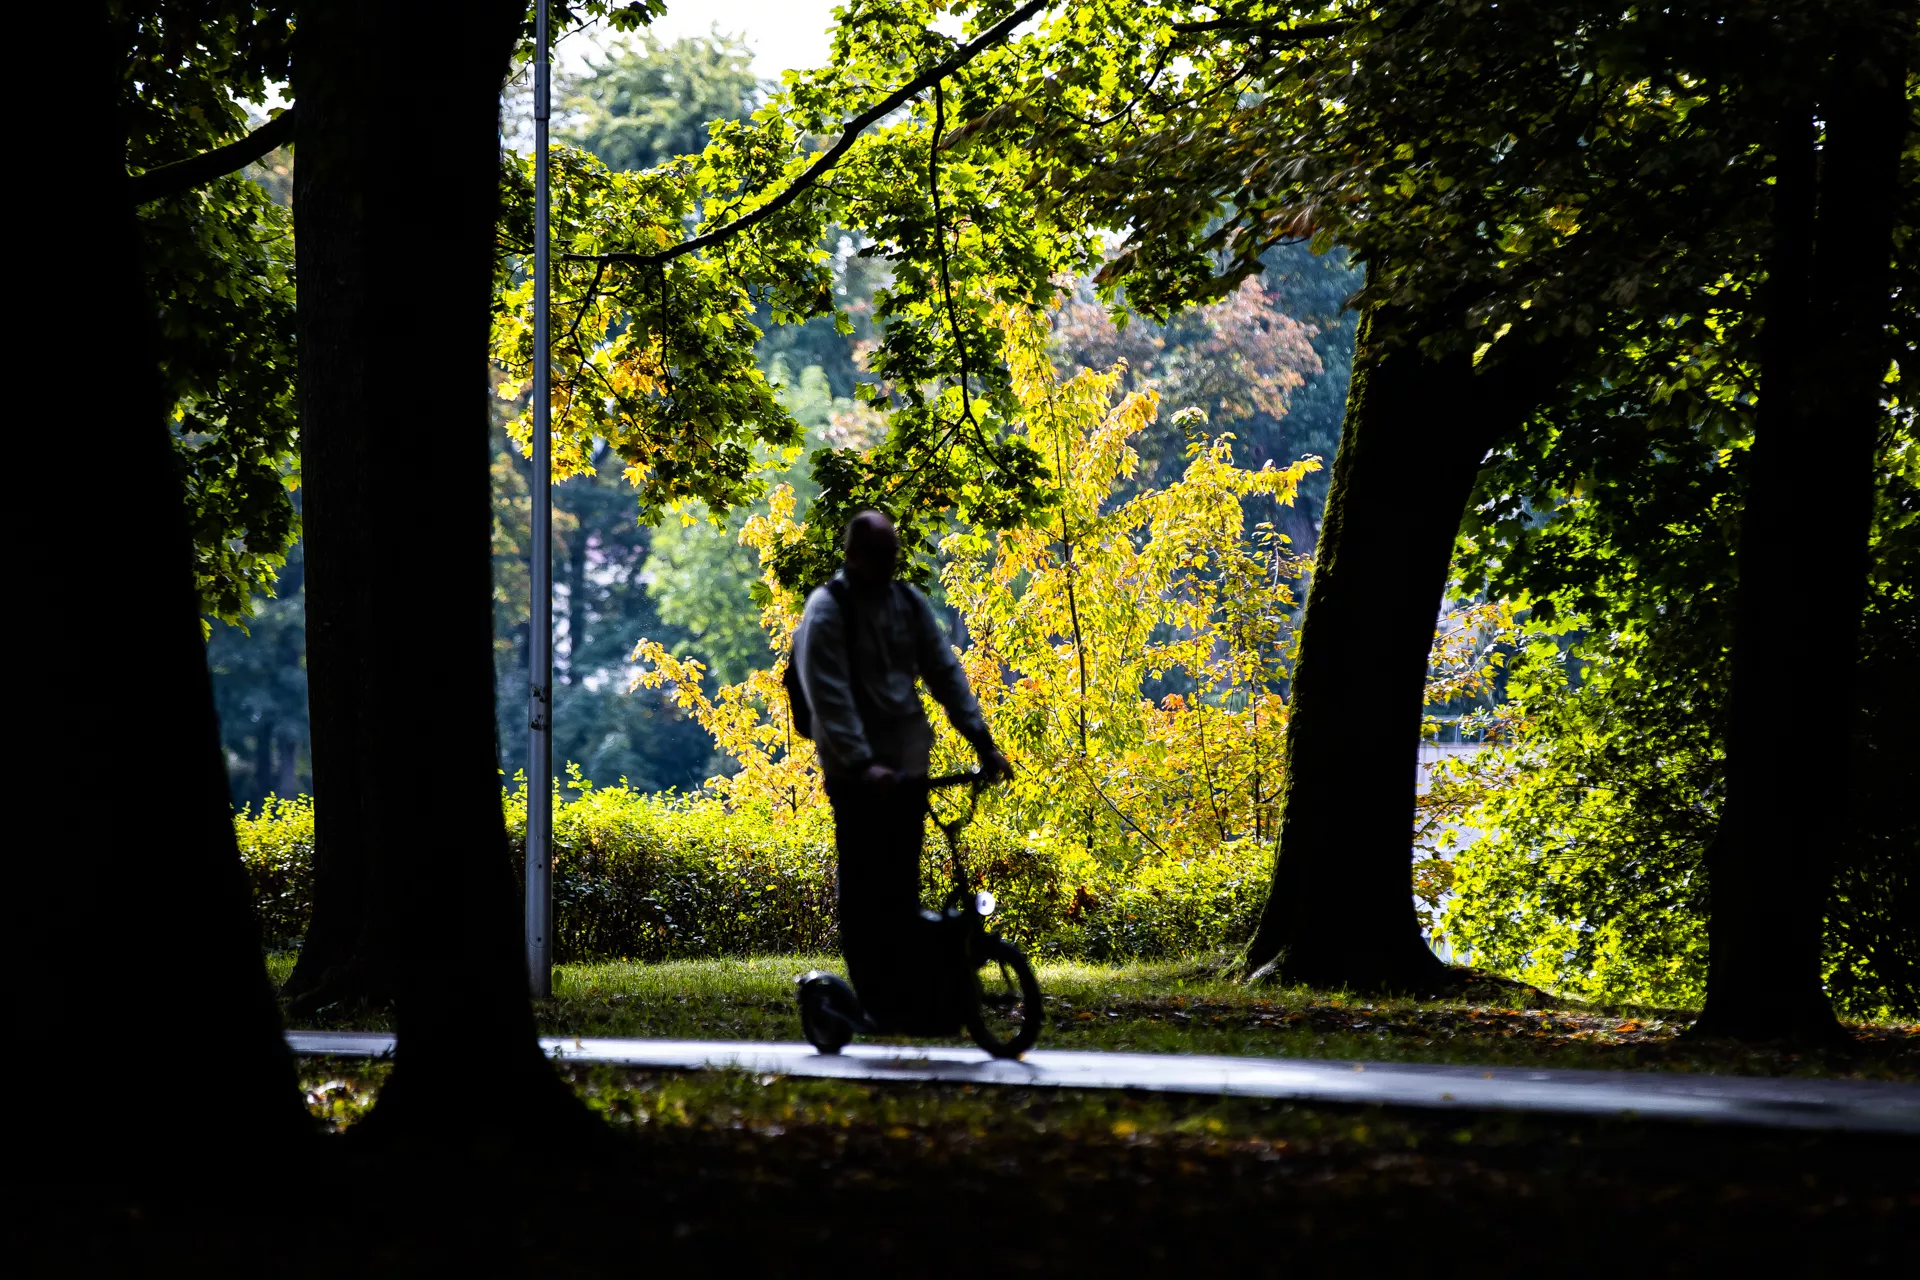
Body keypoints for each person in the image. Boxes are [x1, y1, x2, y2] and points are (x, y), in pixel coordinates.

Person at [792, 510, 1012, 1043]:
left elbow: (944, 672)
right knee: (867, 890)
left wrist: (983, 742)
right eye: (879, 555)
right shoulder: (827, 611)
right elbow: (830, 698)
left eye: (894, 555)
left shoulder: (907, 602)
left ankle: (910, 999)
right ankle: (874, 1000)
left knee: (902, 888)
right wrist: (865, 765)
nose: (889, 565)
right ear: (855, 555)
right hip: (856, 776)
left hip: (908, 765)